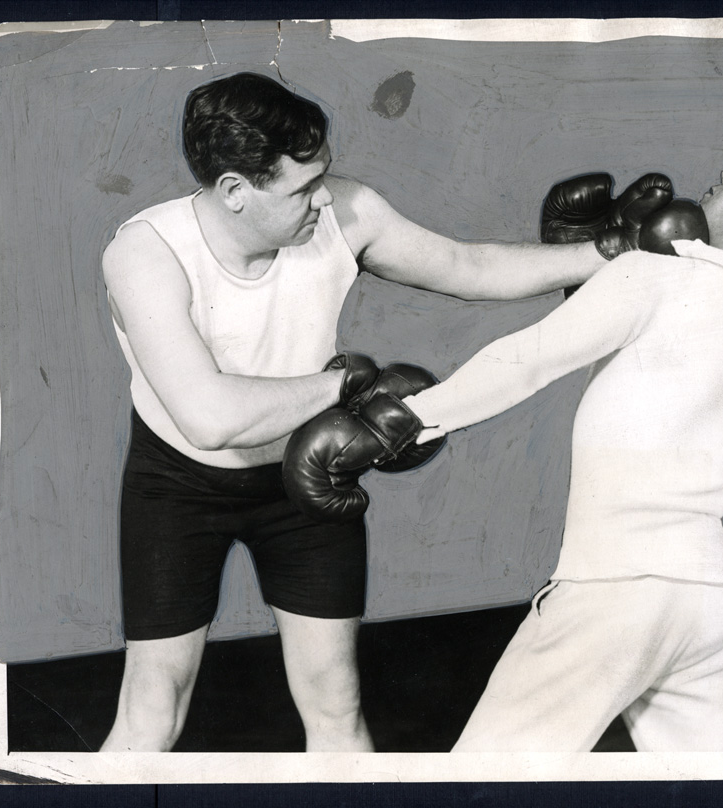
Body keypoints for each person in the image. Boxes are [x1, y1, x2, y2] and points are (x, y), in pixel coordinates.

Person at [98, 70, 615, 753]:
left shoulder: (347, 213)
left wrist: (607, 253)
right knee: (151, 707)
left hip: (305, 482)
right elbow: (209, 416)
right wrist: (343, 384)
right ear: (234, 192)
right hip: (178, 486)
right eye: (301, 189)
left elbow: (469, 266)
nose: (322, 202)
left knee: (337, 705)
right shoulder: (146, 253)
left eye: (324, 177)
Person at [297, 164, 723, 751]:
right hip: (714, 603)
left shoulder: (660, 275)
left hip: (617, 589)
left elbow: (531, 358)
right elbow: (636, 362)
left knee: (480, 784)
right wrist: (586, 266)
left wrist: (396, 424)